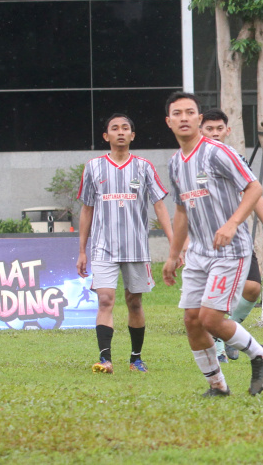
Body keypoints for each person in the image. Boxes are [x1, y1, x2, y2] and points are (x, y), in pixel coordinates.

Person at [161, 92, 263, 397]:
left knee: (210, 319)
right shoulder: (174, 164)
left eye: (189, 112)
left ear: (199, 119)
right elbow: (182, 211)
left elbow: (254, 187)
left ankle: (260, 354)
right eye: (177, 113)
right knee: (191, 321)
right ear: (169, 121)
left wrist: (232, 222)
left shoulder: (217, 152)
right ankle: (217, 386)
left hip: (230, 250)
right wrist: (173, 255)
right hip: (198, 252)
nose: (183, 118)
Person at [77, 114, 174, 374]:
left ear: (132, 135)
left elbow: (159, 205)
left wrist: (173, 241)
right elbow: (86, 209)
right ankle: (105, 359)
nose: (120, 132)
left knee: (134, 302)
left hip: (135, 248)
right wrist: (81, 251)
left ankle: (136, 358)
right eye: (114, 129)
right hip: (102, 247)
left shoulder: (144, 167)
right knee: (105, 300)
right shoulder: (94, 167)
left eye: (126, 128)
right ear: (106, 136)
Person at [199, 109, 263, 362]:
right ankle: (218, 350)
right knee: (214, 298)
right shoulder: (191, 160)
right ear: (201, 130)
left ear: (227, 130)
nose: (214, 133)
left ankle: (227, 333)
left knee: (253, 288)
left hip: (236, 238)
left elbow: (254, 194)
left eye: (219, 129)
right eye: (209, 129)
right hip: (206, 241)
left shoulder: (235, 159)